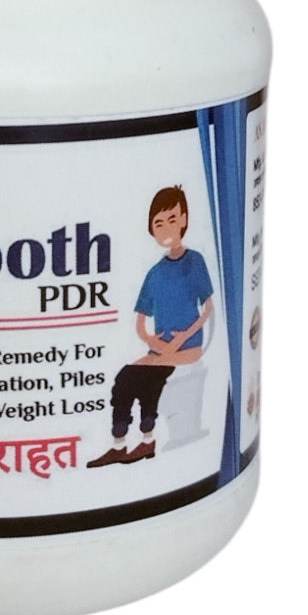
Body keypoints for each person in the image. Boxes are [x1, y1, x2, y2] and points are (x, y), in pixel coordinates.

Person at [87, 187, 214, 467]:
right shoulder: (154, 273)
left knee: (142, 377)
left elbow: (208, 309)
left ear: (184, 219)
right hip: (159, 350)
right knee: (125, 380)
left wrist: (181, 339)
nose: (166, 228)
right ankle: (122, 444)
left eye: (172, 219)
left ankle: (146, 440)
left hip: (188, 347)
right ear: (151, 229)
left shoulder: (194, 261)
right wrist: (151, 340)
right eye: (159, 223)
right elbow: (141, 322)